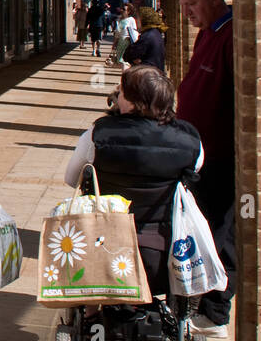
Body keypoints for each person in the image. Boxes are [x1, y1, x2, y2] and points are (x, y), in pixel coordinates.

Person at [65, 66, 202, 296]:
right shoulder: (190, 138)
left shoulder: (98, 133)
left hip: (104, 247)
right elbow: (195, 173)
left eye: (122, 92)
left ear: (132, 101)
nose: (117, 96)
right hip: (165, 250)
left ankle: (90, 311)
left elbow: (71, 178)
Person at [174, 0, 235, 337]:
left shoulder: (231, 36)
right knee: (202, 228)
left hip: (219, 157)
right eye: (183, 6)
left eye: (192, 4)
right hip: (198, 155)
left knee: (221, 233)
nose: (187, 13)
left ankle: (216, 312)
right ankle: (201, 296)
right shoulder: (205, 35)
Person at [125, 5, 168, 73]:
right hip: (156, 72)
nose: (136, 22)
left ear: (143, 20)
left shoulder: (147, 36)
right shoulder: (156, 32)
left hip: (149, 75)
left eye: (137, 19)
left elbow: (129, 54)